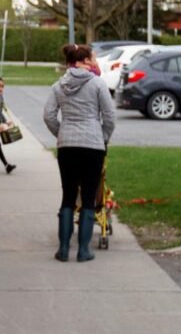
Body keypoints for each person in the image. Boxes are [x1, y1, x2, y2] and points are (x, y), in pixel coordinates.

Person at [43, 43, 115, 262]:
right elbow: (110, 116)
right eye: (92, 58)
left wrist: (61, 133)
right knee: (89, 197)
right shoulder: (98, 84)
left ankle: (64, 249)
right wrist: (102, 137)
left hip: (67, 146)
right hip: (93, 145)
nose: (94, 62)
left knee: (68, 196)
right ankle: (84, 250)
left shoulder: (59, 85)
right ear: (84, 61)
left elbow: (49, 115)